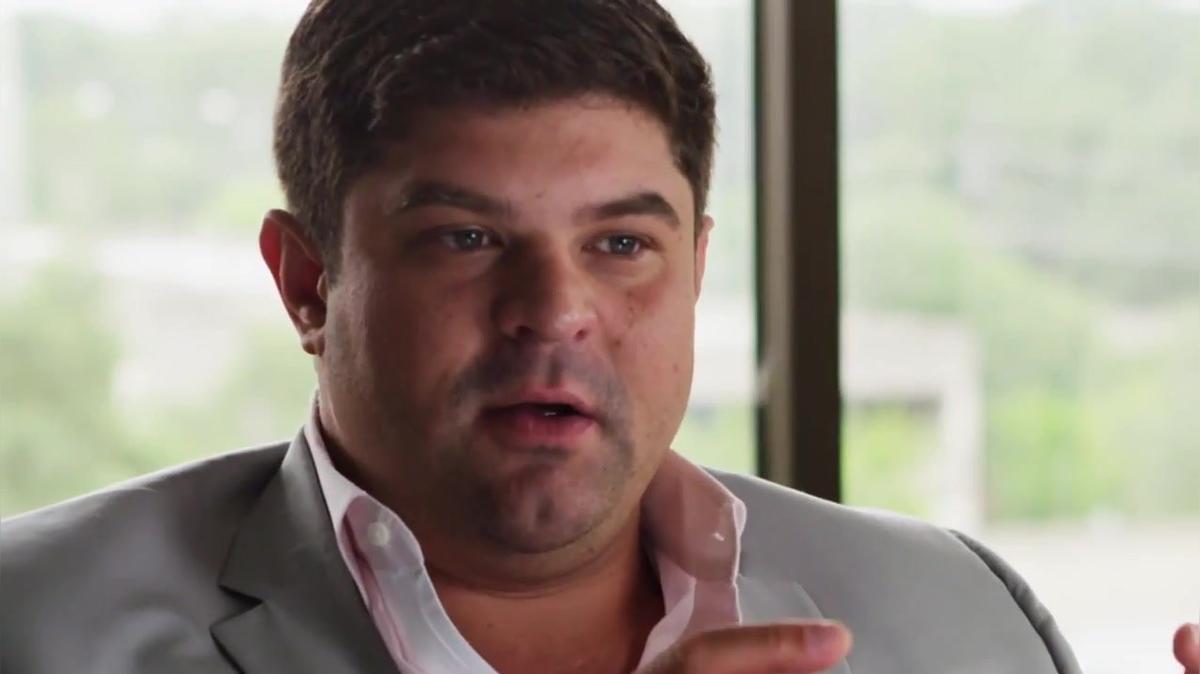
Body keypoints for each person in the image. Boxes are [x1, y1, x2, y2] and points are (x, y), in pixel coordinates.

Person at [2, 1, 1196, 673]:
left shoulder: (961, 613)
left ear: (698, 269)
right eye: (468, 238)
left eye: (622, 242)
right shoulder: (32, 625)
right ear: (308, 281)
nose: (556, 307)